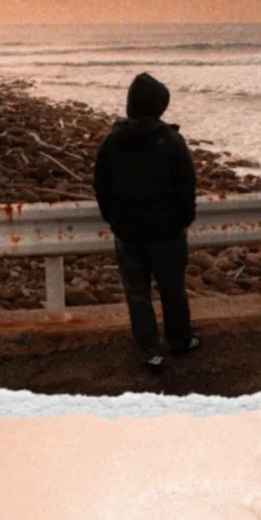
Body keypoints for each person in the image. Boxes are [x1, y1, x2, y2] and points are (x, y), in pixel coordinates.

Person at [93, 72, 201, 373]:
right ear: (158, 106)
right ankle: (180, 341)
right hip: (166, 232)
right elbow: (186, 186)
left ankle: (150, 351)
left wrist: (112, 219)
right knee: (172, 289)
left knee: (137, 292)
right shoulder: (171, 140)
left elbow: (100, 185)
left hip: (127, 232)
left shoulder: (113, 141)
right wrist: (184, 220)